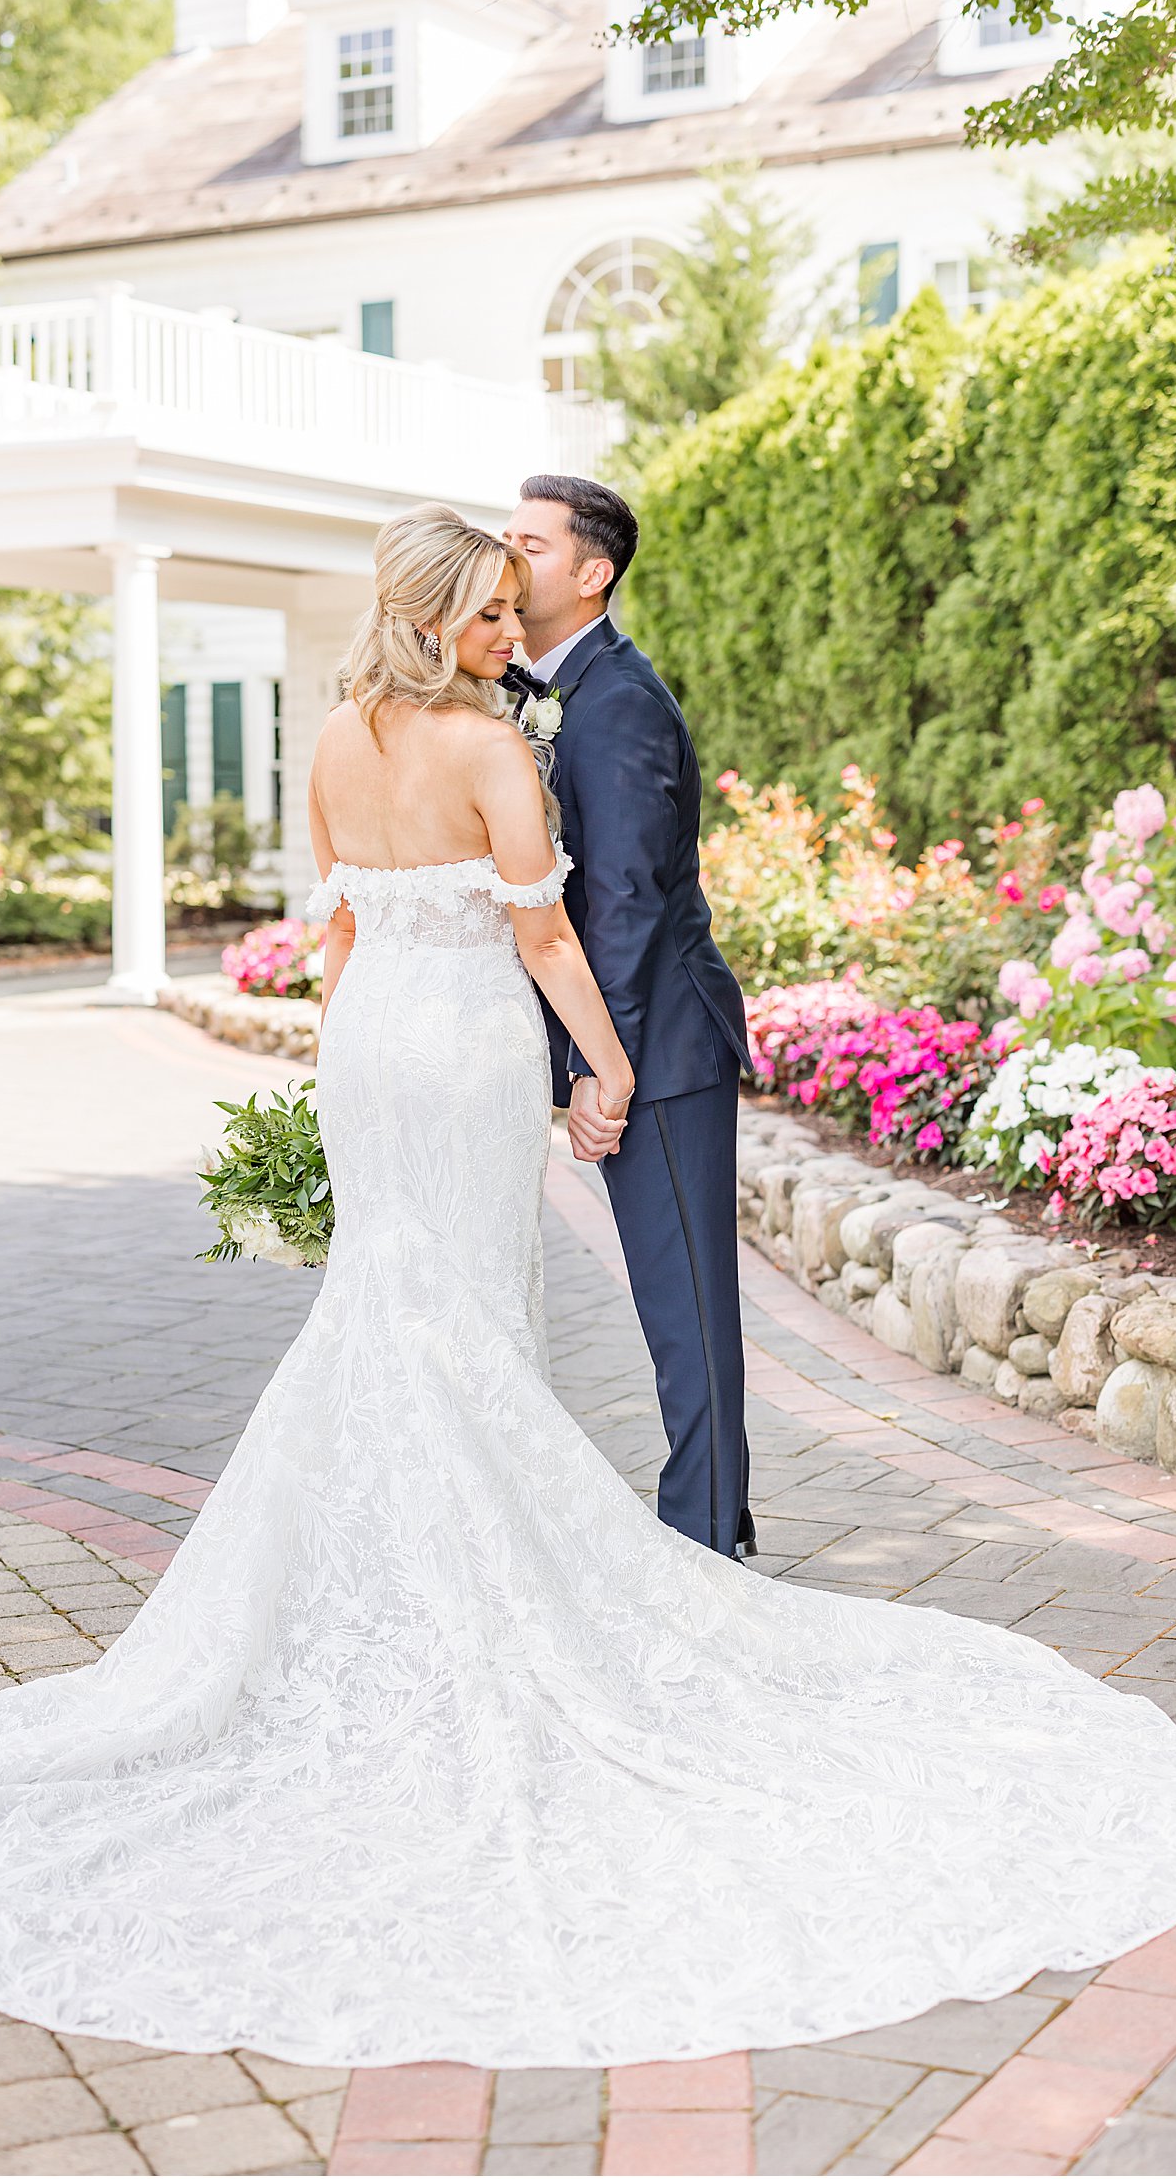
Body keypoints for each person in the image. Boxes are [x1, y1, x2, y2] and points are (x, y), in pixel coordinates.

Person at [0, 503, 1176, 2069]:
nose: (497, 632)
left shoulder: (332, 737)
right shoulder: (489, 751)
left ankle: (378, 1576)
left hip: (370, 1052)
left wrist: (334, 1079)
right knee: (459, 1317)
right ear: (426, 614)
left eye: (502, 605)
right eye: (477, 612)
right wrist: (602, 1071)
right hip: (465, 1048)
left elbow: (333, 935)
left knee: (393, 1317)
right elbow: (543, 942)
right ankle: (481, 1586)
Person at [502, 473, 757, 1562]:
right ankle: (712, 1519)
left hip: (657, 1044)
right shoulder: (524, 688)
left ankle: (705, 1540)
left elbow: (625, 907)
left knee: (685, 1306)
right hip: (613, 1038)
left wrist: (595, 1073)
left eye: (530, 544)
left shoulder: (619, 702)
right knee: (673, 1302)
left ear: (591, 572)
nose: (508, 562)